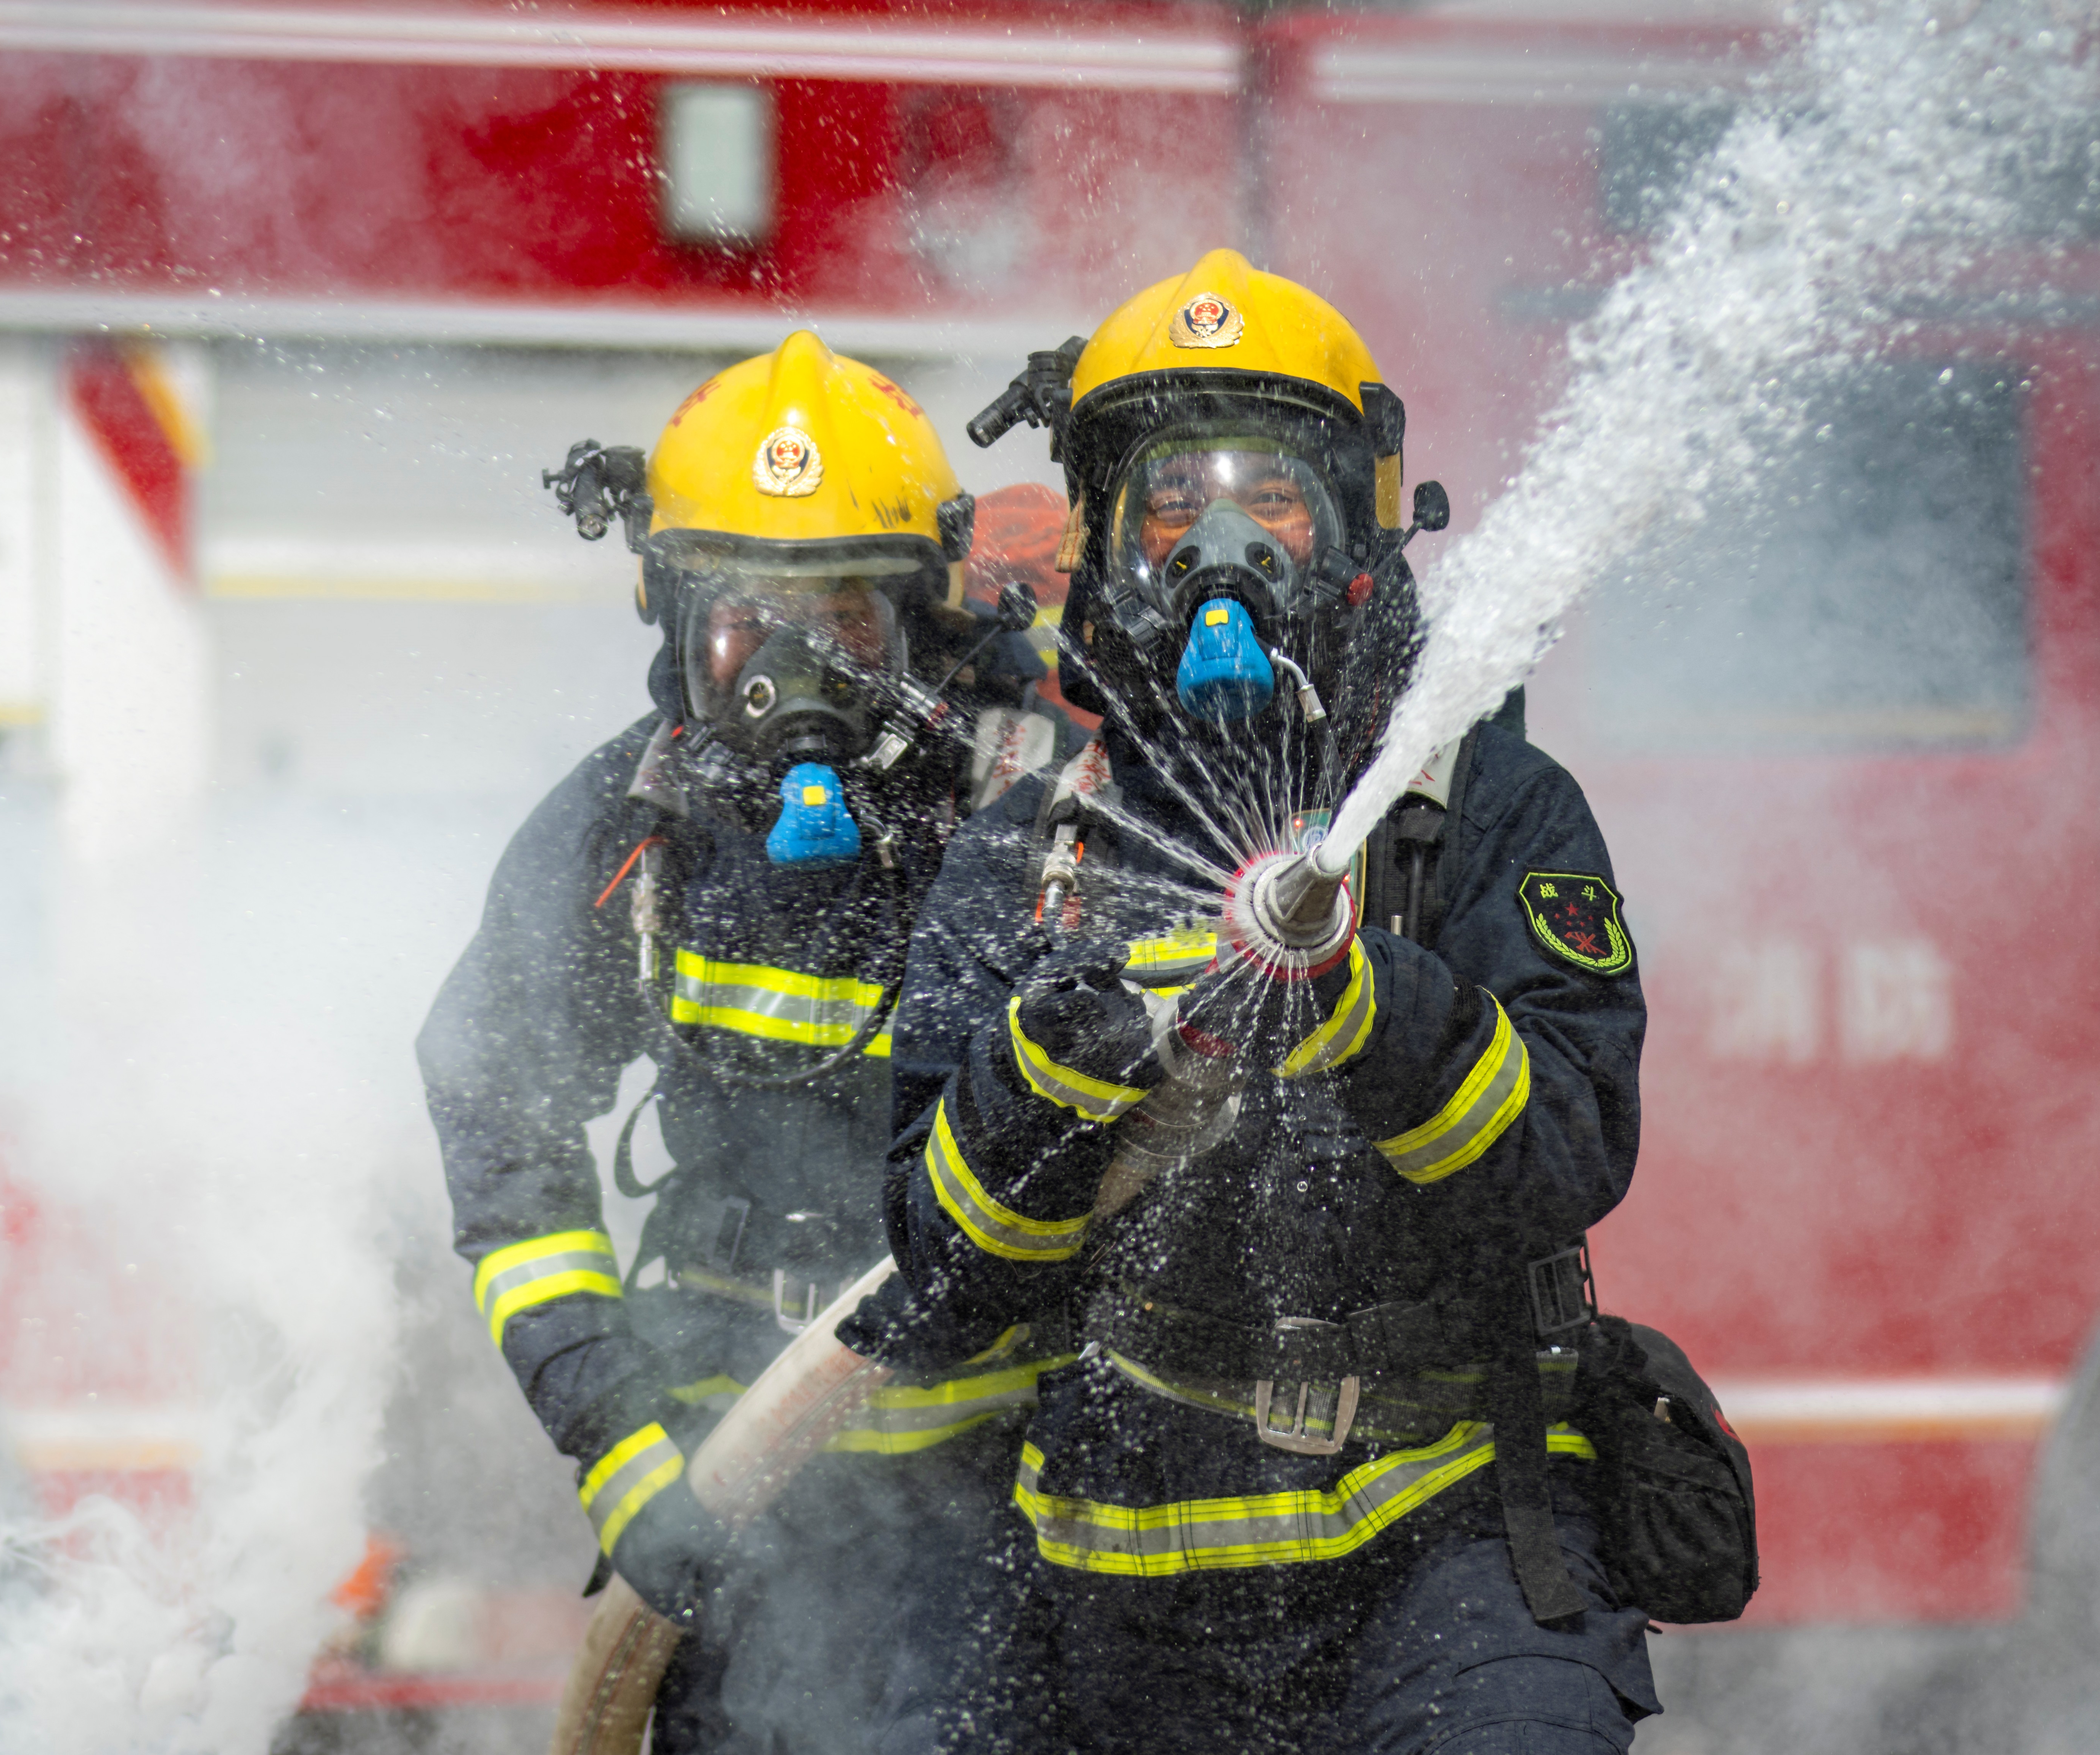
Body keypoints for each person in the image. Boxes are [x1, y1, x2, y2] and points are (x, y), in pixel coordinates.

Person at [885, 250, 1661, 1753]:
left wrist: (1368, 1005)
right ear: (1105, 545)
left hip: (1451, 1543)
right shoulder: (1035, 843)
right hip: (1118, 1575)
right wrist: (1034, 1084)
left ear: (1358, 533)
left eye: (1269, 502)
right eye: (1171, 506)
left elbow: (1569, 1145)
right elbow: (932, 1275)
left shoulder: (1475, 807)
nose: (1216, 550)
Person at [418, 332, 1067, 1754]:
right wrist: (623, 1456)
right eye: (743, 628)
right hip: (730, 1481)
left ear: (926, 620)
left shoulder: (1031, 818)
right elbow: (502, 1140)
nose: (794, 678)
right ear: (668, 619)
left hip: (991, 1492)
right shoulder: (624, 833)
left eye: (844, 624)